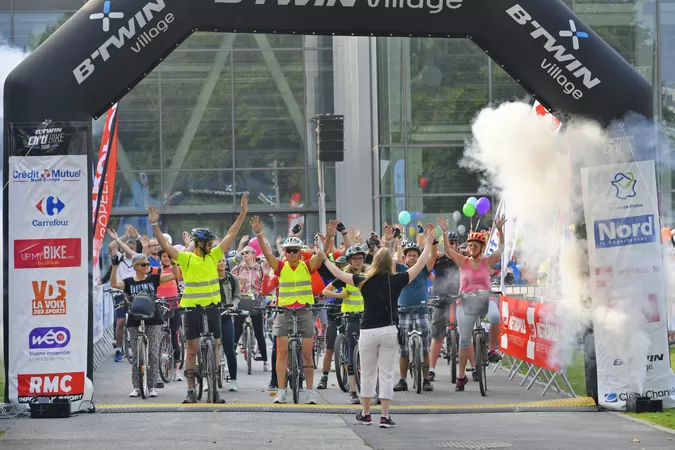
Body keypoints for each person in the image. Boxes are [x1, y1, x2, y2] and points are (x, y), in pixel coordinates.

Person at [318, 224, 436, 428]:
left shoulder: (362, 280)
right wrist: (427, 243)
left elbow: (337, 271)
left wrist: (322, 255)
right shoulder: (399, 279)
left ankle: (365, 414)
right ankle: (384, 416)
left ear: (373, 263)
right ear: (390, 263)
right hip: (390, 330)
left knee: (368, 372)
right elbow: (421, 264)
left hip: (368, 331)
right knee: (387, 373)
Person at [147, 194, 249, 403]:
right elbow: (165, 248)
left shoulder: (214, 256)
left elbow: (232, 233)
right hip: (192, 308)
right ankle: (191, 390)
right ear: (200, 244)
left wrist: (242, 214)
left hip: (212, 306)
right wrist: (155, 225)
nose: (212, 245)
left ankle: (214, 383)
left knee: (216, 343)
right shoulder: (186, 258)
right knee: (191, 350)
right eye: (209, 243)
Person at [250, 215, 322, 405]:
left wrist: (327, 239)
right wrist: (258, 234)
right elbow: (266, 254)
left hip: (304, 310)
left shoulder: (307, 266)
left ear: (300, 252)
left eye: (295, 251)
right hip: (284, 311)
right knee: (281, 353)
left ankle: (309, 391)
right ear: (285, 252)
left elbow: (321, 255)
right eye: (288, 251)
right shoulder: (280, 267)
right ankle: (281, 391)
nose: (291, 254)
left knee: (307, 354)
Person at [438, 216, 505, 392]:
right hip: (465, 300)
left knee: (495, 316)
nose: (472, 248)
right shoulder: (463, 261)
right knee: (465, 339)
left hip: (485, 297)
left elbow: (501, 250)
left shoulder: (486, 261)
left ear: (482, 248)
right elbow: (447, 249)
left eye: (475, 245)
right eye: (470, 245)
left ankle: (492, 349)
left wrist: (500, 230)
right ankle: (461, 377)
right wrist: (445, 232)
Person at [110, 252, 178, 397]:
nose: (147, 267)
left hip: (153, 318)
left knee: (153, 354)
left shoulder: (154, 278)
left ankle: (152, 386)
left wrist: (173, 262)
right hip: (135, 319)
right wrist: (115, 266)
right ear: (135, 267)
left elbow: (174, 276)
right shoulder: (129, 282)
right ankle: (136, 387)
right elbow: (114, 284)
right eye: (144, 264)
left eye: (148, 264)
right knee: (136, 355)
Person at [321, 244, 368, 404]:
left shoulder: (368, 274)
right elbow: (325, 291)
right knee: (351, 353)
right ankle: (353, 392)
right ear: (350, 260)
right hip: (351, 317)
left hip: (367, 316)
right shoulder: (344, 276)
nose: (357, 261)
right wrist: (340, 295)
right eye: (354, 259)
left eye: (360, 258)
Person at [393, 239, 437, 393]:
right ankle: (402, 380)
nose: (412, 258)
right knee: (404, 350)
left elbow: (432, 257)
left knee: (425, 348)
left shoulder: (423, 269)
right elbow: (388, 263)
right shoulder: (400, 268)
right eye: (409, 255)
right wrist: (390, 242)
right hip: (403, 312)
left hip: (422, 312)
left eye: (415, 255)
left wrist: (434, 242)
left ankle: (425, 380)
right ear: (404, 258)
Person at [231, 246, 270, 372]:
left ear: (254, 254)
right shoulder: (238, 268)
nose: (244, 254)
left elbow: (267, 281)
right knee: (236, 331)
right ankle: (229, 360)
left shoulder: (261, 268)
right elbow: (229, 280)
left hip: (256, 301)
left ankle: (265, 361)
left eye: (247, 252)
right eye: (242, 253)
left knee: (259, 332)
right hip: (241, 300)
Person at [428, 231, 461, 382]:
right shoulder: (438, 259)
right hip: (441, 298)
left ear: (457, 244)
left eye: (454, 242)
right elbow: (426, 268)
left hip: (458, 298)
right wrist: (434, 281)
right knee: (437, 337)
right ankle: (431, 369)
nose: (452, 245)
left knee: (466, 334)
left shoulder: (461, 259)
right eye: (450, 242)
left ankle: (474, 368)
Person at [107, 228, 141, 362]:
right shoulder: (119, 258)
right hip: (119, 292)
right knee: (121, 321)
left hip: (134, 293)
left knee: (136, 321)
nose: (128, 250)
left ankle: (137, 346)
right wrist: (123, 237)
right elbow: (111, 246)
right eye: (126, 247)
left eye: (131, 247)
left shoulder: (136, 258)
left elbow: (135, 252)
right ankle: (119, 349)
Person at [155, 248, 183, 383]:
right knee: (159, 336)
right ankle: (159, 369)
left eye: (169, 256)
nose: (166, 258)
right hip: (160, 306)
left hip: (174, 306)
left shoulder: (176, 269)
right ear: (160, 257)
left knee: (174, 337)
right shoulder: (156, 270)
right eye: (164, 256)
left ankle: (177, 370)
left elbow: (183, 277)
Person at [218, 257, 242, 392]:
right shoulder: (208, 278)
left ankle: (233, 380)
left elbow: (237, 295)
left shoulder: (232, 278)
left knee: (229, 349)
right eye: (218, 261)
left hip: (227, 315)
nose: (221, 263)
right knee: (210, 347)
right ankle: (209, 378)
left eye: (223, 261)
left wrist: (233, 305)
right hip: (212, 314)